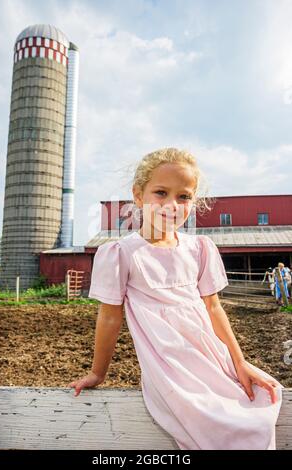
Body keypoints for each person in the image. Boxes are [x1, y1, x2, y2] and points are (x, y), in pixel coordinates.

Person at [69, 148, 283, 450]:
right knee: (222, 425)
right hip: (168, 365)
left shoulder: (200, 248)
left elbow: (214, 309)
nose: (172, 205)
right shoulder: (121, 253)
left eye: (183, 197)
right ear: (138, 195)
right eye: (160, 193)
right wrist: (97, 372)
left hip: (212, 357)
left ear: (193, 202)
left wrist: (240, 362)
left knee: (259, 409)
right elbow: (110, 317)